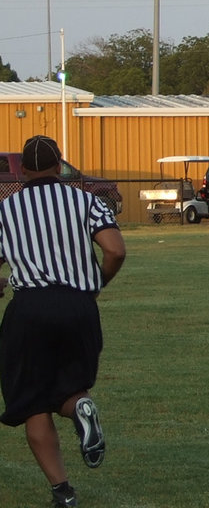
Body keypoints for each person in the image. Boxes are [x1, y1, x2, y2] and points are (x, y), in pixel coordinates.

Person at [0, 136, 127, 507]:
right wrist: (96, 283)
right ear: (59, 167)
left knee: (33, 403)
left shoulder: (6, 210)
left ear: (22, 171)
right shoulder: (86, 201)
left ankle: (63, 492)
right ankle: (79, 407)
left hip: (29, 309)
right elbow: (115, 249)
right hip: (78, 306)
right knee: (70, 386)